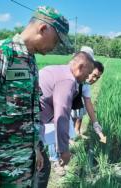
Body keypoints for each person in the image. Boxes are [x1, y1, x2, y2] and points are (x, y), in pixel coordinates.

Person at [0, 6, 69, 187]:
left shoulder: (30, 61)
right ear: (43, 29)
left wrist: (35, 148)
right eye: (56, 41)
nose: (56, 47)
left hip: (24, 168)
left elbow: (29, 112)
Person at [39, 51, 94, 183]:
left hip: (30, 120)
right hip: (29, 125)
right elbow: (61, 115)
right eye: (87, 74)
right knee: (41, 169)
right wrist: (64, 150)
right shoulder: (67, 81)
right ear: (80, 66)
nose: (87, 78)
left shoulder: (56, 69)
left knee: (40, 163)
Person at [71, 46, 106, 143]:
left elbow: (88, 102)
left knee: (78, 112)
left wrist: (95, 123)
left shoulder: (85, 84)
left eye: (97, 78)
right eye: (93, 74)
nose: (94, 79)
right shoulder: (69, 80)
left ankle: (74, 133)